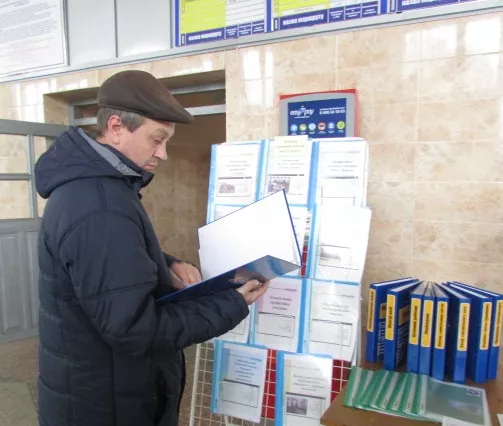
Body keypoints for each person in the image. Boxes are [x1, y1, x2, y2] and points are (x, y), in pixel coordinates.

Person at [35, 70, 270, 426]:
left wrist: (165, 264)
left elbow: (107, 263)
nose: (163, 154)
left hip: (97, 390)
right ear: (116, 127)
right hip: (107, 406)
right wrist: (231, 304)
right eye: (156, 140)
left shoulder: (96, 190)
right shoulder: (99, 205)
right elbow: (133, 329)